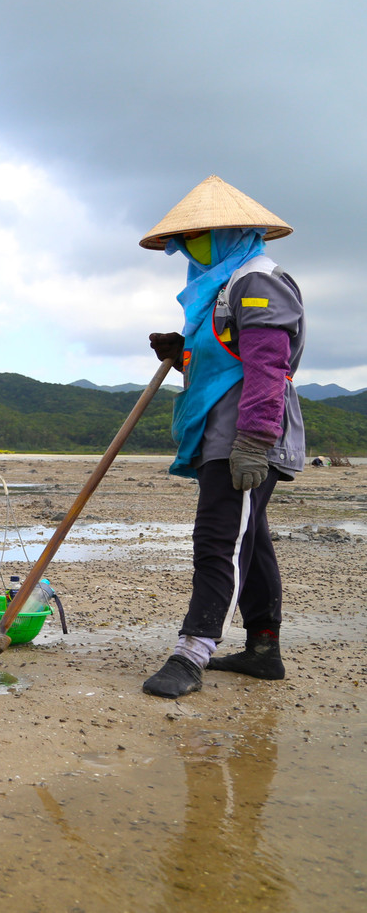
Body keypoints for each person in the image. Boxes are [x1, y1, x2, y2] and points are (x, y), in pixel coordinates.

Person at [138, 176, 304, 698]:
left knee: (218, 540)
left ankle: (193, 650)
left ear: (233, 232)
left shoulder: (258, 282)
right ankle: (262, 651)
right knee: (247, 541)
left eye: (198, 237)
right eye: (183, 240)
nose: (188, 247)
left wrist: (253, 442)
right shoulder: (221, 286)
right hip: (220, 432)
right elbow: (221, 358)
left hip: (248, 437)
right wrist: (182, 348)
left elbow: (267, 367)